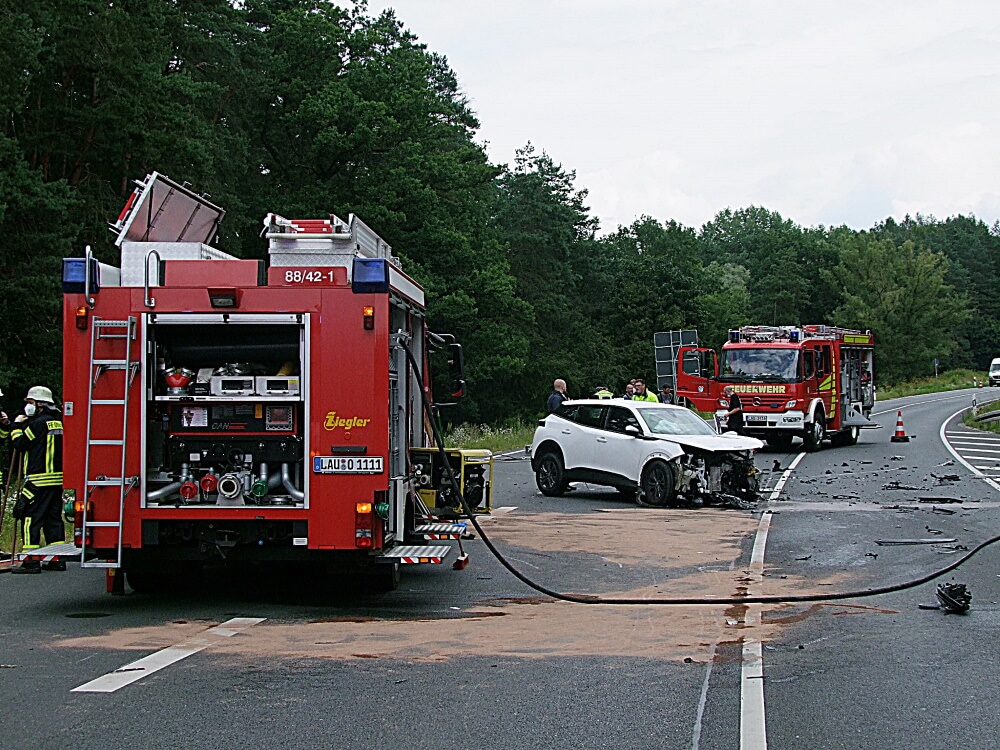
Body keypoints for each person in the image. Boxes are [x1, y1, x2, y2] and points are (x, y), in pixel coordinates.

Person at [10, 386, 65, 574]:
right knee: (53, 520)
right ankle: (56, 559)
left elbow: (21, 443)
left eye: (30, 402)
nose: (28, 406)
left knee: (30, 519)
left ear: (40, 404)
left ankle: (31, 561)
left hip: (38, 481)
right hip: (56, 481)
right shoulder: (57, 422)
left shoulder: (38, 424)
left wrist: (16, 426)